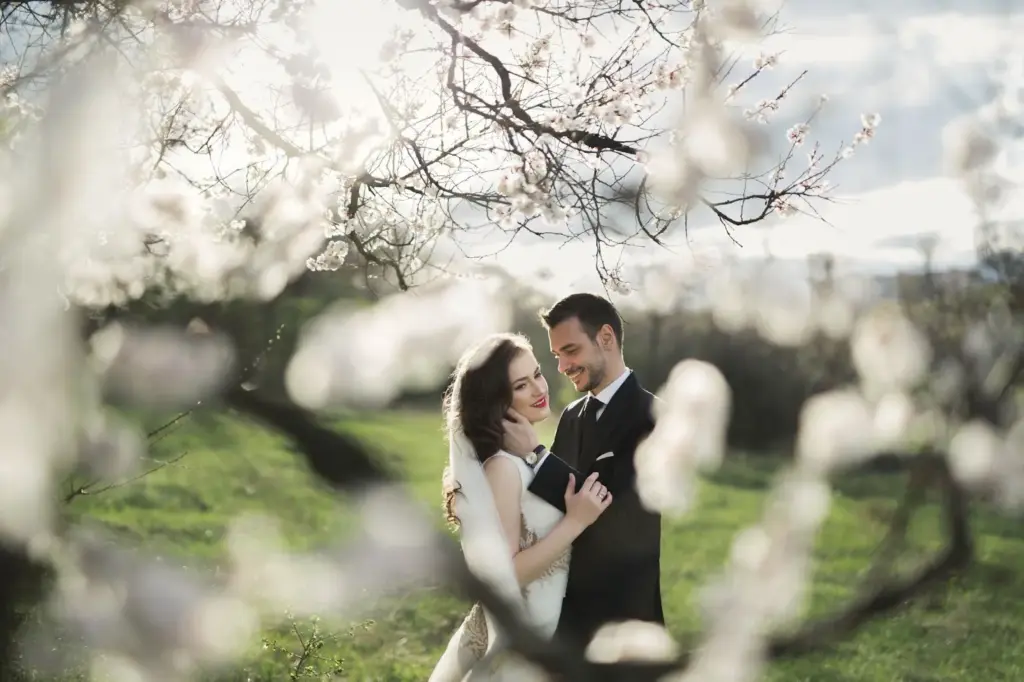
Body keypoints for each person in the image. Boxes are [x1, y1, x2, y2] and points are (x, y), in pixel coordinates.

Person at [430, 332, 613, 682]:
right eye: (521, 385)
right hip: (527, 633)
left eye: (538, 374)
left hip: (554, 626)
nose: (539, 389)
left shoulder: (524, 458)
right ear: (496, 401)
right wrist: (575, 523)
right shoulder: (502, 468)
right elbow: (506, 575)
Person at [502, 292, 664, 654]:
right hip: (563, 609)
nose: (561, 366)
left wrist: (535, 454)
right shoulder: (572, 416)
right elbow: (556, 505)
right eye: (557, 356)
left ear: (606, 338)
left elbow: (608, 508)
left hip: (623, 618)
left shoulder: (656, 417)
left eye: (570, 351)